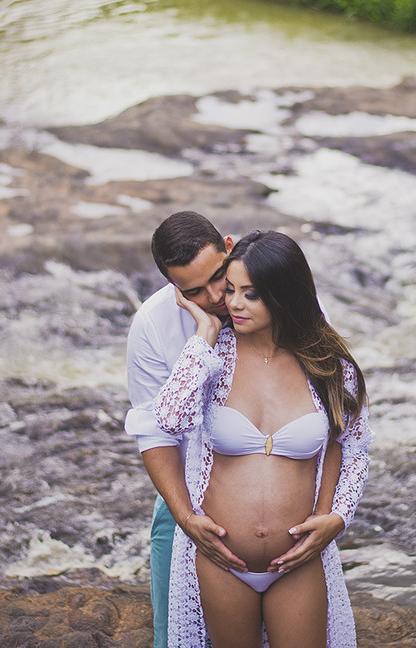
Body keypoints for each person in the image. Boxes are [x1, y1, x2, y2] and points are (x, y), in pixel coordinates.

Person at [154, 230, 373, 648]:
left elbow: (353, 449)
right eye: (231, 289)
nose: (231, 303)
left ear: (282, 294)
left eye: (250, 294)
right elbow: (168, 418)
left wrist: (338, 516)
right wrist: (204, 332)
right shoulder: (213, 357)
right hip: (222, 563)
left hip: (297, 562)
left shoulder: (328, 365)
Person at [125, 211, 244, 648]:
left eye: (219, 276)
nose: (216, 296)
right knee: (177, 637)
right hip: (190, 494)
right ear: (172, 286)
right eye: (193, 291)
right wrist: (186, 518)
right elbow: (156, 432)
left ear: (229, 247)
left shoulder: (285, 297)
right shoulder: (152, 325)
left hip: (277, 499)